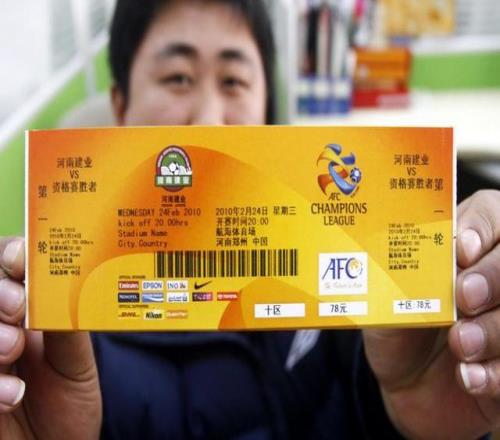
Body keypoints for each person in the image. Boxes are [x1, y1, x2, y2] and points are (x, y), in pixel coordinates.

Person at [1, 0, 500, 438]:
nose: (209, 120)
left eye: (234, 81)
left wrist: (408, 423)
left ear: (266, 107)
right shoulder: (54, 341)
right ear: (120, 104)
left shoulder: (339, 260)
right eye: (177, 77)